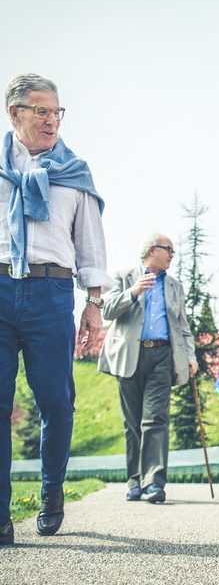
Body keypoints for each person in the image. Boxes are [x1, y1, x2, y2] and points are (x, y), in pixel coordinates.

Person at [0, 73, 110, 545]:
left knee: (57, 404)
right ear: (15, 114)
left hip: (51, 293)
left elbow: (89, 242)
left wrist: (94, 303)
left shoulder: (74, 171)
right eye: (41, 111)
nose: (51, 121)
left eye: (56, 112)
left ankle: (51, 493)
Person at [98, 233, 197, 503]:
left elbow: (183, 326)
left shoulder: (175, 285)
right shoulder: (123, 276)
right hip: (130, 355)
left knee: (156, 419)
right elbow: (107, 311)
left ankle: (154, 482)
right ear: (153, 250)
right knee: (132, 424)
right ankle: (134, 482)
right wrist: (134, 292)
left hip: (162, 356)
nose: (172, 256)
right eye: (170, 250)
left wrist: (190, 355)